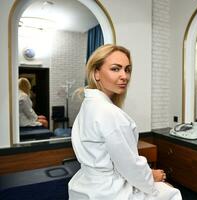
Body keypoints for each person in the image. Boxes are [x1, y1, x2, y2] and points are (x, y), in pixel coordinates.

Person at [68, 44, 182, 200]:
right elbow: (129, 167)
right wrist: (151, 177)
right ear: (96, 73)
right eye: (115, 69)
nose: (124, 76)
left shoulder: (89, 105)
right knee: (171, 192)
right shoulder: (110, 113)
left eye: (127, 70)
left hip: (88, 186)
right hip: (110, 191)